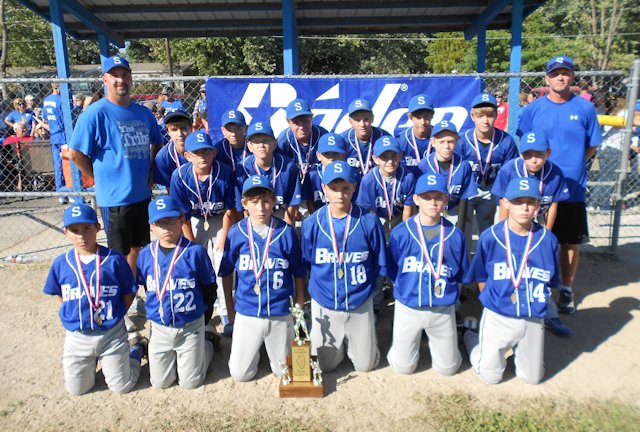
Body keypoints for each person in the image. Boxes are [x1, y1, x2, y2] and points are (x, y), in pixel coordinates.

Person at [518, 56, 602, 315]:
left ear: (572, 77)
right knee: (532, 238)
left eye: (565, 73)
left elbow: (592, 146)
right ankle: (535, 284)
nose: (560, 78)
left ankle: (565, 288)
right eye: (555, 74)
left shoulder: (585, 109)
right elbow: (524, 142)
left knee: (568, 242)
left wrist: (573, 164)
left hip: (572, 186)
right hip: (537, 187)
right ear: (547, 79)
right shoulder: (533, 109)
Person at [68, 55, 164, 277]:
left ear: (131, 79)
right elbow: (76, 153)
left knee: (138, 246)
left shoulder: (143, 113)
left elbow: (157, 142)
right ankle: (117, 298)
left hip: (141, 194)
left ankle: (132, 290)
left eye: (125, 75)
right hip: (114, 198)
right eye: (115, 76)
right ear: (105, 79)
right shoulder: (95, 113)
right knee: (117, 253)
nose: (121, 80)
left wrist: (151, 172)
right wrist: (96, 176)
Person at [463, 177, 561, 385]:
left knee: (533, 378)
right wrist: (492, 302)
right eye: (518, 201)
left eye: (530, 201)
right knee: (490, 377)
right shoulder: (490, 237)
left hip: (533, 316)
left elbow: (551, 281)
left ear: (538, 205)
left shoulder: (548, 240)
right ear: (506, 202)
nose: (524, 207)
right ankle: (470, 337)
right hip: (499, 315)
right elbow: (480, 276)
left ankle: (521, 349)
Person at [43, 204, 146, 395]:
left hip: (111, 334)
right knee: (78, 390)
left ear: (97, 227)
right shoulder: (60, 263)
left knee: (122, 387)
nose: (81, 236)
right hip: (78, 336)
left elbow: (129, 291)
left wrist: (116, 315)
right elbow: (60, 294)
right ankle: (91, 361)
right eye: (74, 230)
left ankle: (137, 349)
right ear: (65, 232)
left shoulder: (114, 259)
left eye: (86, 229)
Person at [301, 161, 387, 372]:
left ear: (355, 187)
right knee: (324, 366)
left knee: (365, 365)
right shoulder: (312, 223)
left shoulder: (368, 221)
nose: (340, 194)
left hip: (359, 302)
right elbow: (306, 264)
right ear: (323, 189)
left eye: (345, 188)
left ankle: (359, 338)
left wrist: (365, 291)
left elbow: (378, 263)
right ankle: (336, 341)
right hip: (325, 302)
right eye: (333, 188)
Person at [219, 175, 306, 381]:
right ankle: (256, 349)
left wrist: (299, 306)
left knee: (284, 372)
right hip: (247, 311)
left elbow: (298, 273)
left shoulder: (286, 232)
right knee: (240, 374)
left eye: (266, 201)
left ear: (274, 201)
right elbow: (225, 273)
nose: (261, 208)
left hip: (279, 310)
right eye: (254, 202)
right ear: (244, 204)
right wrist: (230, 310)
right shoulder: (236, 232)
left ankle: (270, 349)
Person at [386, 174, 468, 375]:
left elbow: (460, 274)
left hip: (442, 308)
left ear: (446, 199)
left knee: (448, 369)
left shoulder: (455, 235)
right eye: (426, 196)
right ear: (415, 199)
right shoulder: (401, 233)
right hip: (408, 307)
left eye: (438, 196)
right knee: (403, 368)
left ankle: (469, 335)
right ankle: (400, 342)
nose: (433, 202)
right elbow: (392, 270)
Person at [492, 131, 571, 337]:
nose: (533, 159)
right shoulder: (510, 169)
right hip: (509, 218)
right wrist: (503, 233)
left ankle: (549, 313)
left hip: (540, 218)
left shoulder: (555, 172)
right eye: (528, 154)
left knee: (540, 268)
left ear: (548, 153)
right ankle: (501, 307)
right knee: (506, 265)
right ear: (521, 154)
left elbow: (553, 205)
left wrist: (546, 235)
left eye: (539, 154)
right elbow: (503, 202)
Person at [136, 196, 217, 389]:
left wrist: (204, 316)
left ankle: (207, 343)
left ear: (182, 220)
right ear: (151, 226)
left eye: (171, 221)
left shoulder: (196, 252)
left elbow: (209, 289)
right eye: (160, 223)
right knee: (160, 383)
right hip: (159, 327)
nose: (166, 228)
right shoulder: (146, 254)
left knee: (191, 382)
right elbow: (149, 290)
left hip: (190, 325)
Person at [170, 130, 239, 333]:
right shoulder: (180, 176)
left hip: (220, 219)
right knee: (196, 263)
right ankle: (203, 312)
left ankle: (227, 311)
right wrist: (192, 245)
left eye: (206, 152)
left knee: (222, 261)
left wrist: (223, 239)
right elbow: (182, 215)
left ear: (214, 153)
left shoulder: (224, 172)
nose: (202, 156)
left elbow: (230, 210)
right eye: (196, 152)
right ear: (187, 155)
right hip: (195, 220)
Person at [456, 93, 518, 251]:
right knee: (464, 229)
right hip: (468, 190)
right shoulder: (463, 141)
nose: (485, 120)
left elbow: (510, 173)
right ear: (472, 116)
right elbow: (455, 172)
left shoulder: (505, 141)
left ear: (497, 115)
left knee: (489, 229)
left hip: (493, 190)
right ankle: (466, 267)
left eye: (490, 115)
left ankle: (486, 263)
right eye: (480, 115)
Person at [239, 121, 302, 226]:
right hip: (255, 214)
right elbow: (245, 206)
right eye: (256, 142)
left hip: (281, 213)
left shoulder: (288, 166)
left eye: (266, 141)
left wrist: (287, 229)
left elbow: (292, 203)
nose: (261, 145)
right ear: (249, 146)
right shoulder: (242, 168)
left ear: (274, 144)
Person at [418, 120, 477, 230]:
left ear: (457, 141)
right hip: (430, 211)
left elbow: (464, 199)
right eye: (441, 141)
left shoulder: (463, 165)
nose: (446, 146)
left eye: (450, 141)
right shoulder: (423, 165)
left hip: (454, 211)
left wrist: (460, 226)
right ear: (432, 142)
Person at [276, 98, 328, 186]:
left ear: (311, 118)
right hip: (293, 185)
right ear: (288, 122)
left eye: (305, 120)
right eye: (296, 122)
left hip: (320, 184)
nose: (301, 126)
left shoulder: (323, 136)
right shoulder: (283, 141)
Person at [341, 98, 391, 176]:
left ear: (372, 118)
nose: (362, 124)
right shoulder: (343, 140)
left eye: (366, 119)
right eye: (357, 120)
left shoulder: (384, 137)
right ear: (350, 121)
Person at [303, 132, 350, 213]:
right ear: (318, 155)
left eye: (335, 153)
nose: (331, 158)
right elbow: (309, 202)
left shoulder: (351, 173)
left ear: (344, 155)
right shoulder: (312, 174)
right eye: (327, 154)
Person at [396, 94, 435, 178]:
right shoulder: (400, 140)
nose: (423, 122)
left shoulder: (440, 138)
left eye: (426, 116)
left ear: (432, 116)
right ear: (410, 117)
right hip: (410, 187)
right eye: (418, 117)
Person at [42, 82, 69, 203]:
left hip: (53, 134)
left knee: (58, 165)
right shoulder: (61, 100)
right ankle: (71, 190)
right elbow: (66, 118)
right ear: (58, 88)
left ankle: (61, 193)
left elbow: (45, 118)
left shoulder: (46, 100)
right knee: (68, 163)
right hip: (63, 134)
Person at [153, 109, 191, 191]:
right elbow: (170, 191)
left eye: (184, 128)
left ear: (190, 129)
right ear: (168, 132)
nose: (180, 134)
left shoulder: (202, 150)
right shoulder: (163, 157)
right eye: (174, 129)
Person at [213, 110, 249, 178]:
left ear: (245, 128)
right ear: (223, 131)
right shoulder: (218, 150)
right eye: (229, 130)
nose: (233, 134)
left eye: (237, 129)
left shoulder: (254, 146)